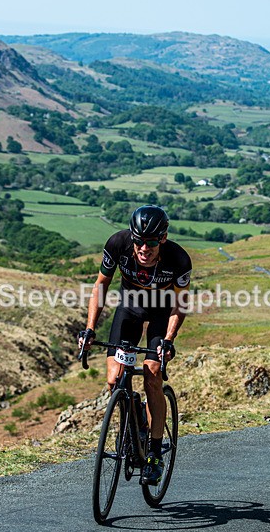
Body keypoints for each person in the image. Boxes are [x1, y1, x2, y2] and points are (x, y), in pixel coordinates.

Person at [79, 205, 192, 485]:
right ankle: (137, 418)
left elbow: (181, 304)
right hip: (129, 309)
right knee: (113, 379)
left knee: (152, 372)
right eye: (139, 240)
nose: (144, 248)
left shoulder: (178, 259)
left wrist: (168, 340)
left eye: (151, 242)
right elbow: (101, 286)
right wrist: (90, 328)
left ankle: (154, 451)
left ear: (162, 239)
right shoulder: (117, 244)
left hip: (161, 312)